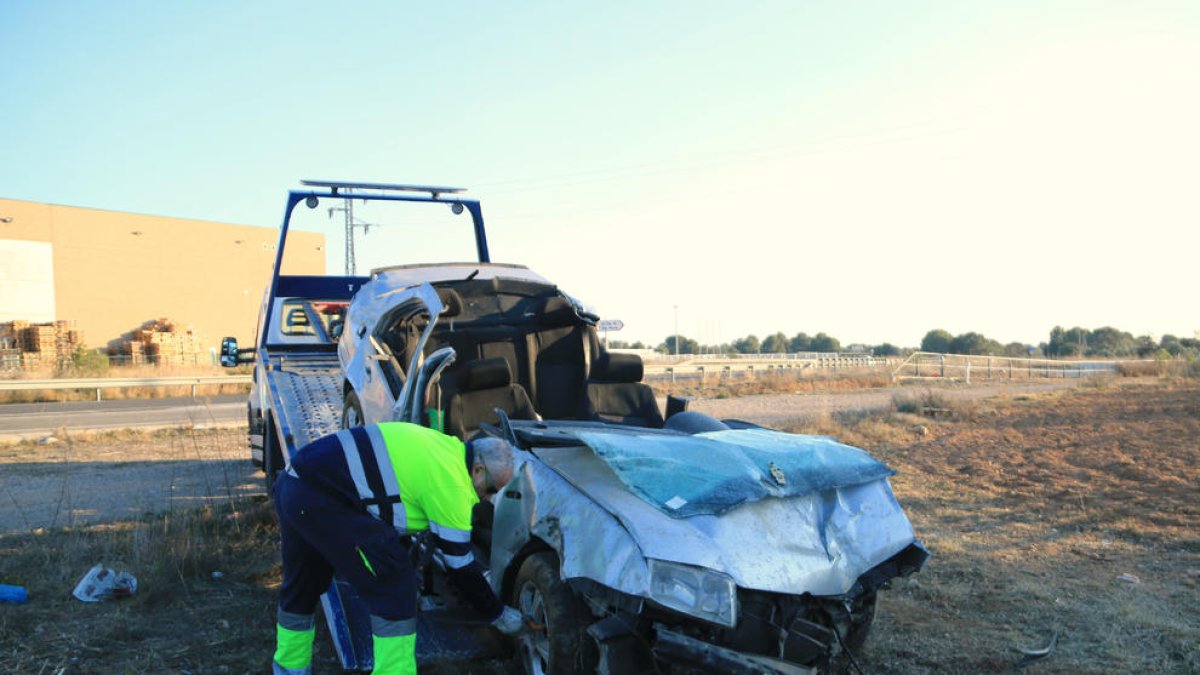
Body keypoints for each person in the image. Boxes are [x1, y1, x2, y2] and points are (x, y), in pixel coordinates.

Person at [271, 422, 526, 675]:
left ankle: (289, 669)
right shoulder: (452, 485)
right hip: (324, 499)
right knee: (394, 586)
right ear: (478, 469)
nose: (489, 498)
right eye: (492, 489)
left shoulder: (444, 447)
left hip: (295, 481)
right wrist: (498, 614)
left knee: (303, 584)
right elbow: (460, 566)